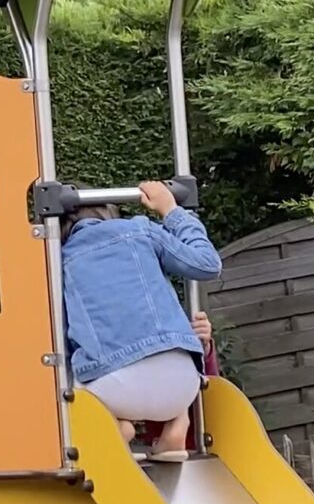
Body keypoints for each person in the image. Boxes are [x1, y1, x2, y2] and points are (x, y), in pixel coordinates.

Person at [60, 179, 219, 462]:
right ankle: (177, 424)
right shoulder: (140, 230)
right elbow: (207, 263)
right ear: (109, 211)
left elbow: (62, 338)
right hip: (184, 384)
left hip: (113, 390)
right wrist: (171, 210)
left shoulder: (58, 261)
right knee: (169, 343)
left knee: (63, 380)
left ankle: (117, 426)